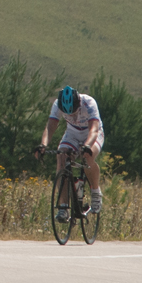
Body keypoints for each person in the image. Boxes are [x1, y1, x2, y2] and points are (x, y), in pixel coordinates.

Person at [34, 86, 104, 220]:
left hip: (92, 133)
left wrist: (87, 146)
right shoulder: (57, 104)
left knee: (87, 156)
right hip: (72, 134)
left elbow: (94, 130)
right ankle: (63, 207)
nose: (71, 115)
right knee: (61, 158)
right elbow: (50, 127)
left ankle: (95, 192)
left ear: (78, 103)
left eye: (73, 111)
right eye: (68, 113)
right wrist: (43, 145)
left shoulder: (89, 103)